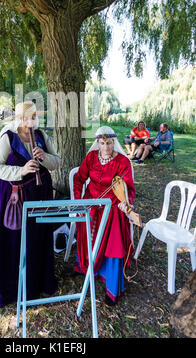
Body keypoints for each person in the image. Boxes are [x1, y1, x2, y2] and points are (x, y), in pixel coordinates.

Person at [0, 101, 61, 308]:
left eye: (34, 117)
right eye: (28, 118)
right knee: (14, 240)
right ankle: (11, 288)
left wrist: (44, 158)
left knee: (35, 238)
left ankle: (35, 284)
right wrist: (21, 170)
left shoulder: (42, 136)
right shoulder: (8, 136)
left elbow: (57, 162)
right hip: (13, 197)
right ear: (19, 118)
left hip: (39, 195)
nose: (32, 121)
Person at [72, 126, 135, 306]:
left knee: (113, 238)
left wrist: (125, 202)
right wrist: (78, 200)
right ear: (97, 143)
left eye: (109, 143)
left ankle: (112, 286)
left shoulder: (122, 162)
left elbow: (128, 189)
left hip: (112, 206)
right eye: (102, 143)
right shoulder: (91, 157)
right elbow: (79, 179)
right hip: (91, 203)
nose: (106, 147)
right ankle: (85, 265)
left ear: (113, 142)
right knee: (85, 230)